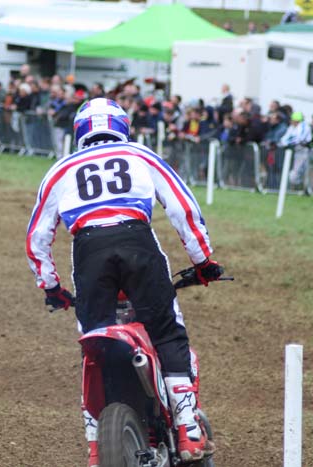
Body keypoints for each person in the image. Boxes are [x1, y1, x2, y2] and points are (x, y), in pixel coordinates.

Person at [25, 98, 223, 466]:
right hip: (137, 244)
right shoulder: (140, 154)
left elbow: (38, 236)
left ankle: (96, 446)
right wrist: (203, 260)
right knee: (166, 330)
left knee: (94, 351)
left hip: (88, 253)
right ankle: (187, 429)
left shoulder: (61, 169)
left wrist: (50, 286)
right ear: (122, 125)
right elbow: (182, 208)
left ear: (80, 132)